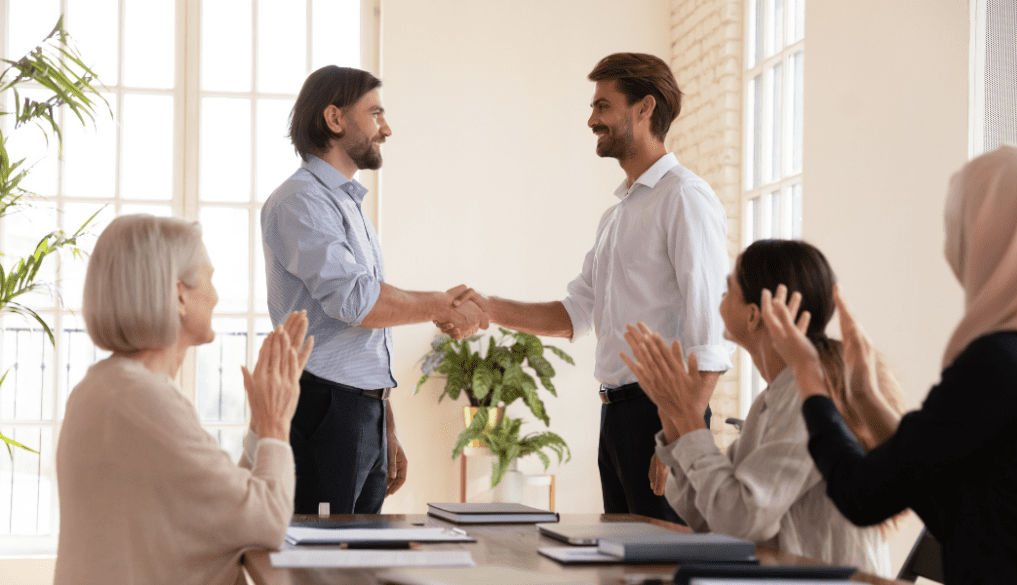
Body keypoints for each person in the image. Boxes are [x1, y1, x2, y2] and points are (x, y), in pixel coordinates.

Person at [441, 53, 733, 524]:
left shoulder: (685, 197)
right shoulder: (617, 216)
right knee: (627, 565)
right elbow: (575, 313)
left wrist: (680, 432)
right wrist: (487, 309)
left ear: (644, 108)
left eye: (603, 105)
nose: (592, 119)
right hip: (617, 418)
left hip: (663, 414)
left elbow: (710, 336)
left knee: (667, 563)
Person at [761, 145, 1017, 585]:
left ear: (982, 235)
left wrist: (809, 378)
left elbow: (861, 495)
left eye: (954, 227)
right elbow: (942, 494)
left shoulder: (994, 364)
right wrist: (864, 397)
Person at [261, 65, 488, 515]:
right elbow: (357, 303)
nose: (386, 128)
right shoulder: (301, 201)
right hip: (325, 408)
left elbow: (363, 337)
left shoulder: (346, 203)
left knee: (360, 557)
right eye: (376, 114)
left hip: (359, 410)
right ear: (335, 119)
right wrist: (444, 305)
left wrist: (385, 422)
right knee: (323, 564)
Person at [55, 214, 314, 585]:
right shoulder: (143, 399)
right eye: (209, 278)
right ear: (179, 294)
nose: (216, 295)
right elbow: (267, 523)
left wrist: (260, 425)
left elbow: (225, 510)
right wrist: (276, 423)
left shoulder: (105, 388)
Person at [620, 239, 903, 575]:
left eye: (729, 289)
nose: (720, 299)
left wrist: (689, 417)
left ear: (753, 315)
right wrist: (672, 417)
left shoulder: (803, 399)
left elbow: (740, 519)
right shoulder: (774, 397)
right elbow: (707, 515)